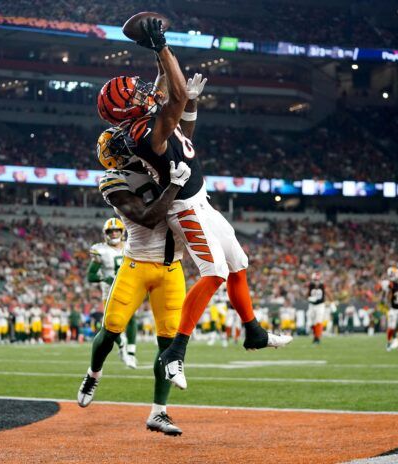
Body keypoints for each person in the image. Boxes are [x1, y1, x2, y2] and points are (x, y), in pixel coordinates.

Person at [97, 19, 291, 390]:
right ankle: (175, 353)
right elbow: (177, 97)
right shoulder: (142, 134)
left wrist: (161, 60)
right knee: (214, 272)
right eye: (132, 95)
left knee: (238, 263)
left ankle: (253, 331)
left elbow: (171, 97)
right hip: (184, 207)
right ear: (126, 113)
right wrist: (162, 46)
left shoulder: (143, 120)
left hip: (201, 199)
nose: (140, 93)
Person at [77, 126, 192, 436]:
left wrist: (189, 107)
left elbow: (180, 140)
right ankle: (93, 373)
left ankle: (159, 412)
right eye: (123, 143)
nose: (132, 143)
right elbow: (149, 217)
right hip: (137, 263)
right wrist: (175, 185)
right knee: (112, 327)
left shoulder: (153, 161)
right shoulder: (112, 180)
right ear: (115, 155)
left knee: (169, 345)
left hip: (171, 267)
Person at [87, 218, 136, 368]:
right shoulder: (100, 250)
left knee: (132, 319)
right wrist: (106, 278)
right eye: (110, 231)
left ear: (122, 232)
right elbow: (91, 275)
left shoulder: (130, 247)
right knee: (112, 325)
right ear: (105, 233)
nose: (114, 233)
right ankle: (122, 346)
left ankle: (131, 353)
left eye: (116, 230)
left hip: (129, 288)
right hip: (109, 293)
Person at [307, 272, 332, 344]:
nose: (316, 282)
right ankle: (315, 336)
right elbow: (308, 294)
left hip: (320, 305)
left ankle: (317, 338)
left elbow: (328, 293)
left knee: (318, 321)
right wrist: (310, 298)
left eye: (317, 280)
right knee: (312, 322)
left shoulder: (323, 286)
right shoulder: (310, 285)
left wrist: (332, 301)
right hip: (312, 305)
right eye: (315, 280)